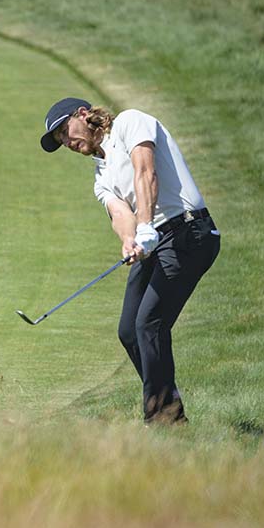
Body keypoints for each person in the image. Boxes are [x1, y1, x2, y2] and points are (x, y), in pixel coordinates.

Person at [38, 97, 220, 424]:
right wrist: (129, 239)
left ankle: (163, 422)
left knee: (149, 323)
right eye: (60, 140)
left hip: (189, 232)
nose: (66, 141)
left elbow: (145, 170)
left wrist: (147, 225)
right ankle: (170, 409)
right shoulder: (101, 174)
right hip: (154, 240)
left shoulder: (129, 122)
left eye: (65, 130)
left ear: (84, 114)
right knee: (129, 331)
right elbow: (119, 212)